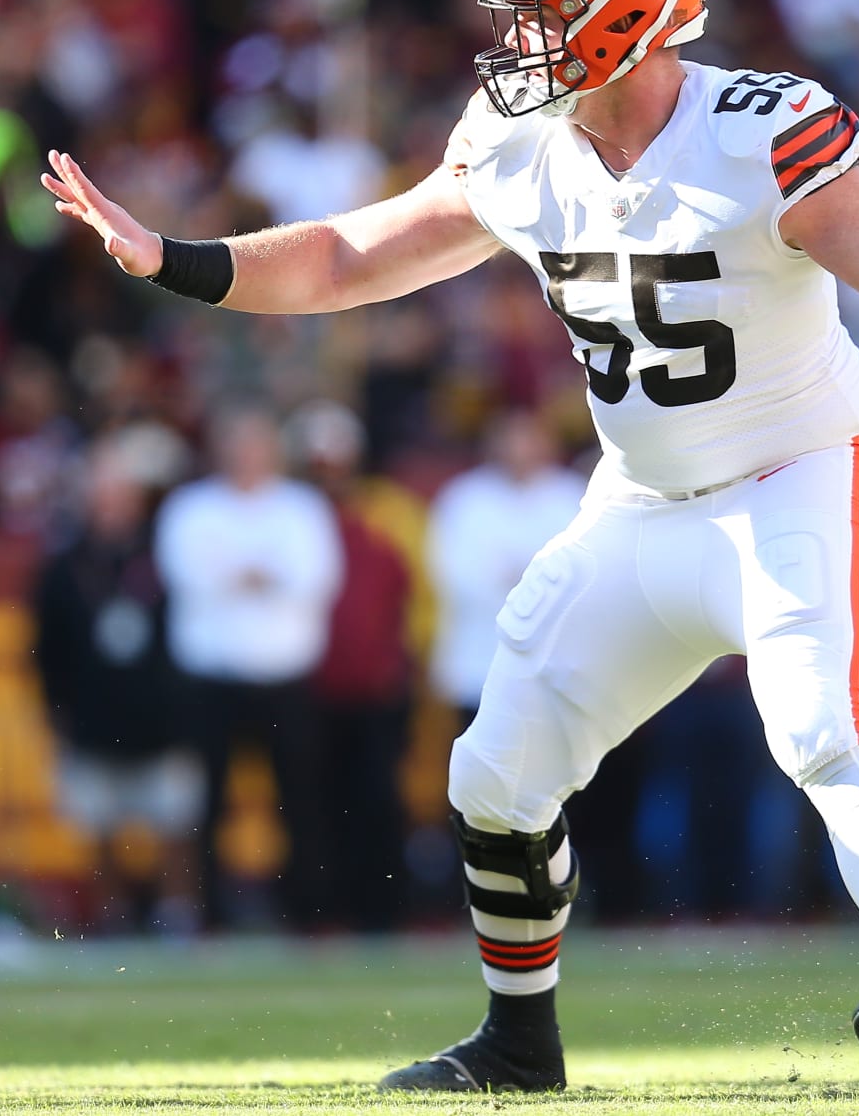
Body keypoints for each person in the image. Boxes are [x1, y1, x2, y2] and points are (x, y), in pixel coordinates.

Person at [42, 0, 859, 1093]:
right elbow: (352, 253)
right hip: (637, 500)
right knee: (494, 774)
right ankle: (520, 1043)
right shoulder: (519, 138)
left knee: (824, 729)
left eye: (549, 14)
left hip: (794, 479)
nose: (521, 42)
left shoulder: (759, 131)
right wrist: (176, 260)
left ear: (628, 15)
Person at [152, 404, 342, 929]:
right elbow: (190, 577)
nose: (247, 455)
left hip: (285, 679)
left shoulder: (302, 509)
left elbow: (314, 579)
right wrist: (262, 578)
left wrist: (242, 578)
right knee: (205, 804)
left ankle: (308, 914)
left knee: (299, 802)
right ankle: (207, 915)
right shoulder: (191, 509)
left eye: (256, 443)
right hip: (210, 682)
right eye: (237, 442)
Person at [33, 437, 201, 935]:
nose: (111, 502)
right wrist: (56, 711)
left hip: (161, 717)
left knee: (176, 823)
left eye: (119, 491)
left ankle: (177, 915)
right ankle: (115, 915)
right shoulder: (63, 567)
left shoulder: (165, 553)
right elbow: (47, 648)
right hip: (91, 718)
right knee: (97, 827)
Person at [288, 399, 418, 933]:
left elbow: (418, 595)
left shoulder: (392, 513)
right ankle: (321, 911)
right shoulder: (291, 513)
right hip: (310, 685)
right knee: (315, 802)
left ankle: (382, 910)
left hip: (378, 685)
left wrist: (408, 659)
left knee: (378, 798)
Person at [427, 409, 585, 727]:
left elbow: (584, 571)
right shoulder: (465, 498)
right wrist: (529, 582)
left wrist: (522, 581)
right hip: (478, 660)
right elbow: (453, 573)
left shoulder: (572, 495)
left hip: (558, 664)